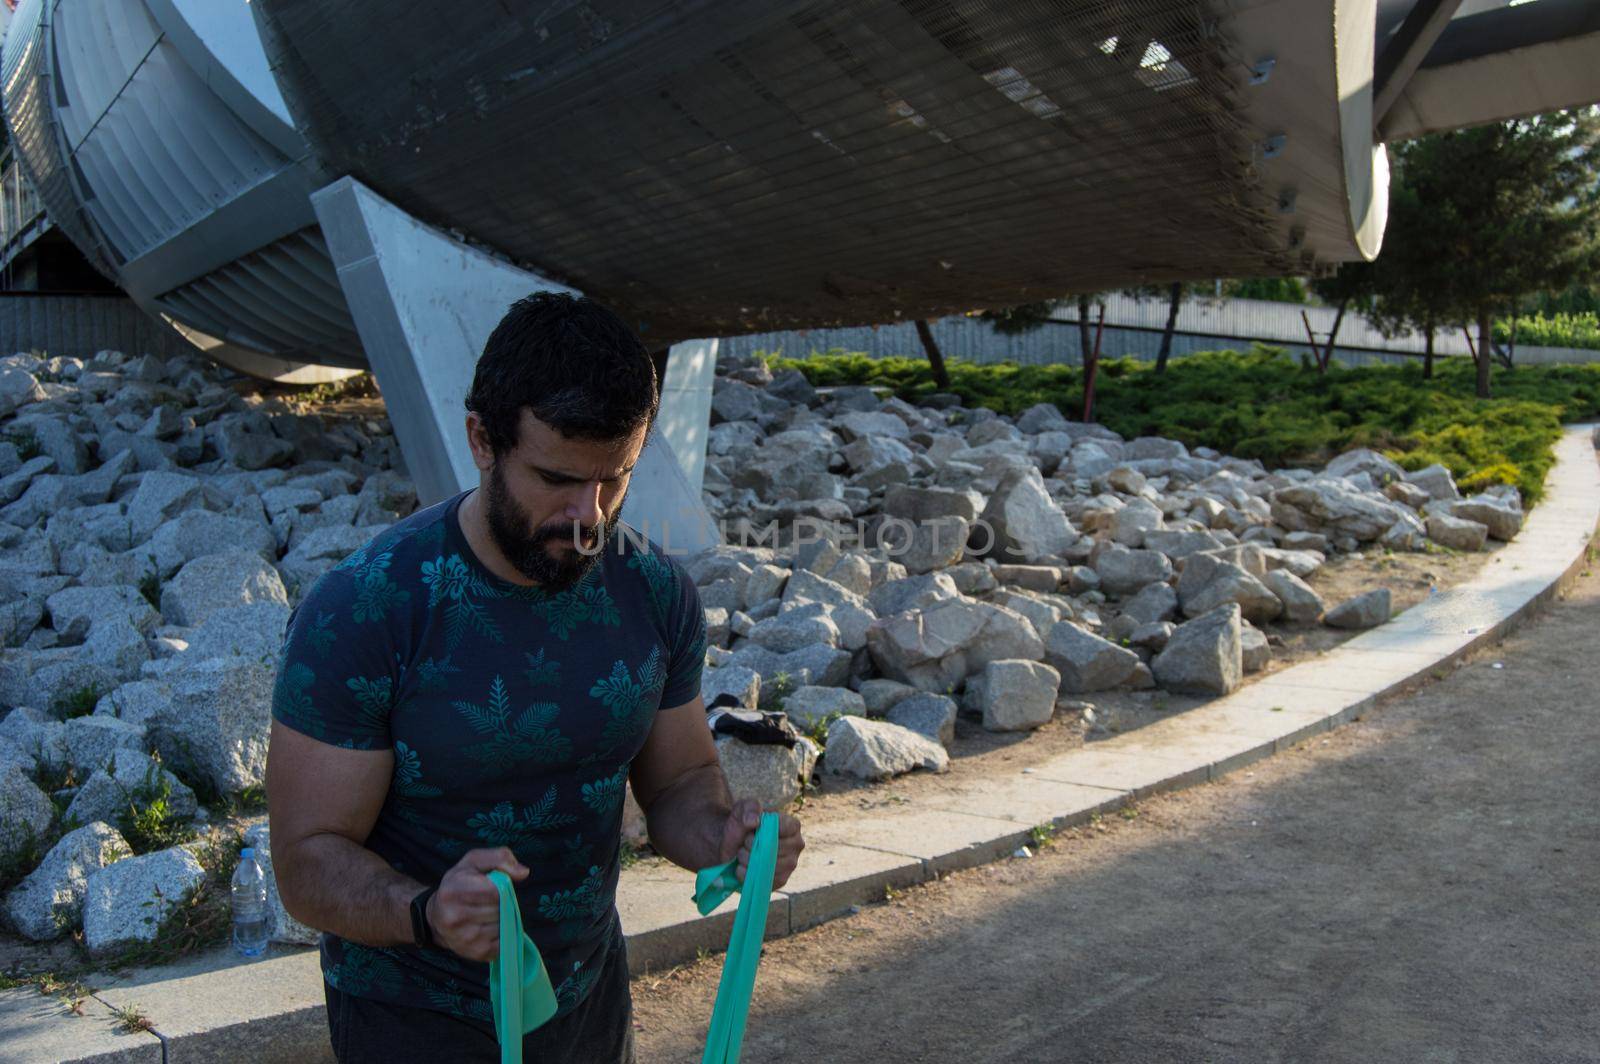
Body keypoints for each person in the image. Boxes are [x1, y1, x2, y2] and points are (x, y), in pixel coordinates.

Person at [266, 292, 804, 1063]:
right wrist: (425, 909)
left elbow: (680, 783)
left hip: (587, 1004)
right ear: (483, 440)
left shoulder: (653, 593)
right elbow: (306, 860)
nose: (587, 515)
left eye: (614, 480)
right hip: (413, 1018)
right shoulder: (368, 608)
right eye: (556, 479)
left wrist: (724, 840)